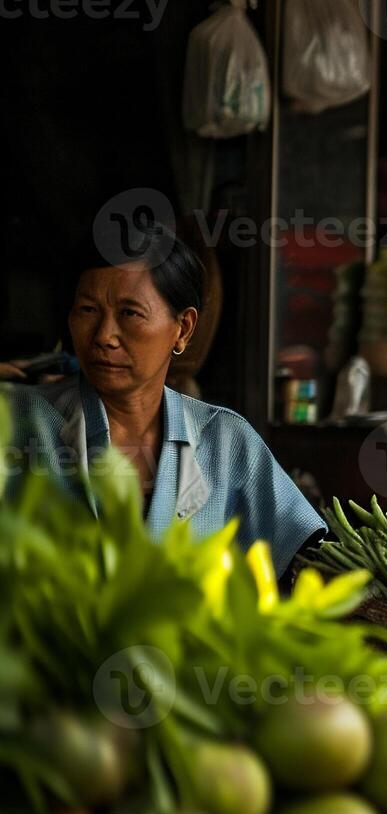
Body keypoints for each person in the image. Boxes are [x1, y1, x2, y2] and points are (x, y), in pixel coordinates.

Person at [3, 222, 323, 576]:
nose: (104, 336)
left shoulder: (227, 441)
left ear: (183, 328)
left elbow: (307, 563)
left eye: (130, 313)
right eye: (88, 310)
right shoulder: (19, 418)